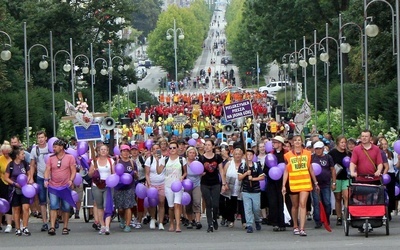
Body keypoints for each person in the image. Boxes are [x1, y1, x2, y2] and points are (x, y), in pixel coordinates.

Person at [282, 135, 319, 237]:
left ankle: (302, 228)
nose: (297, 142)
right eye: (295, 140)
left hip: (305, 182)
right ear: (292, 143)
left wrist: (315, 182)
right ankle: (295, 225)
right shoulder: (288, 155)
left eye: (299, 140)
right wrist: (283, 185)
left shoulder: (307, 154)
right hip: (293, 183)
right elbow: (286, 171)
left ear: (302, 142)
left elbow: (310, 169)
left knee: (303, 204)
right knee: (295, 205)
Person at [44, 139, 77, 236]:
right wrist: (46, 180)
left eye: (55, 147)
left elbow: (73, 170)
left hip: (65, 186)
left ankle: (65, 227)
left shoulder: (70, 157)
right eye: (53, 147)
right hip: (53, 186)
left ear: (61, 147)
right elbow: (47, 169)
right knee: (53, 206)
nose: (53, 149)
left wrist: (71, 180)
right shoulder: (50, 158)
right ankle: (52, 227)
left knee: (66, 207)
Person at [199, 139, 227, 232]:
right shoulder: (201, 158)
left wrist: (223, 183)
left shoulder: (217, 157)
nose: (207, 147)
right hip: (205, 183)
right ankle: (209, 224)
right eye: (205, 145)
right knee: (208, 204)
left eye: (209, 145)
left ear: (213, 146)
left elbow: (221, 170)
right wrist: (200, 174)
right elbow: (198, 170)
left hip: (215, 183)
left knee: (215, 204)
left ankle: (215, 218)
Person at [159, 141, 187, 232]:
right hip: (168, 185)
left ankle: (178, 225)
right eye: (170, 148)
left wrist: (182, 177)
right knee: (171, 206)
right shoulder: (165, 159)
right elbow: (159, 171)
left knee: (177, 205)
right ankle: (171, 223)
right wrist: (157, 160)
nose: (172, 150)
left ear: (178, 148)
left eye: (174, 148)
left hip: (178, 185)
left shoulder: (182, 160)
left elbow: (185, 172)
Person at [4, 146, 32, 236]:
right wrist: (14, 184)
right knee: (16, 209)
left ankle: (25, 227)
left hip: (25, 189)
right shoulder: (11, 165)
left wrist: (28, 181)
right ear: (17, 155)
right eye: (22, 154)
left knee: (26, 208)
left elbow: (30, 174)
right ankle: (17, 228)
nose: (24, 155)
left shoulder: (25, 163)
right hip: (14, 189)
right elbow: (6, 178)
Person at [88, 144, 114, 235]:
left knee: (107, 206)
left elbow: (114, 174)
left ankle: (107, 226)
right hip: (97, 186)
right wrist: (93, 171)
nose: (103, 151)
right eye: (101, 149)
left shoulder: (111, 161)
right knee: (99, 206)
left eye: (105, 149)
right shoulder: (94, 161)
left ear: (107, 151)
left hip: (107, 186)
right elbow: (90, 174)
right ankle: (102, 226)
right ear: (98, 151)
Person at [238, 149, 265, 233]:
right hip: (246, 190)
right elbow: (239, 178)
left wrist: (253, 179)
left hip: (255, 191)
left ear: (253, 156)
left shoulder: (257, 165)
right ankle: (249, 224)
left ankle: (257, 220)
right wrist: (246, 173)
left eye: (250, 155)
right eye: (247, 155)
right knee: (248, 208)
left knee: (256, 208)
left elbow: (262, 177)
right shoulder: (242, 166)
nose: (249, 156)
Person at [267, 136, 289, 232]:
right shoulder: (271, 155)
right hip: (272, 182)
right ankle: (275, 222)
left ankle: (282, 223)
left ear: (280, 143)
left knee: (282, 202)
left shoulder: (286, 155)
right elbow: (267, 168)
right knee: (273, 203)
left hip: (283, 182)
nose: (273, 144)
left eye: (275, 142)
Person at [311, 141, 335, 228]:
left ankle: (326, 218)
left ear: (323, 148)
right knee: (316, 202)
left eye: (319, 148)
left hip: (326, 184)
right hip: (315, 184)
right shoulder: (311, 158)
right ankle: (318, 220)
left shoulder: (328, 157)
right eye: (316, 149)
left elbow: (332, 169)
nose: (318, 150)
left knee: (327, 202)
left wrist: (334, 182)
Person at [29, 131, 50, 232]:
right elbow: (32, 165)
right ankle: (45, 222)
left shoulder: (51, 147)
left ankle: (53, 220)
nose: (41, 139)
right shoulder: (35, 150)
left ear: (46, 138)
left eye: (42, 137)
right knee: (42, 200)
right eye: (39, 138)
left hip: (52, 177)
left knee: (52, 199)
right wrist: (31, 177)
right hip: (40, 176)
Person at [328, 135, 351, 226]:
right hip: (336, 178)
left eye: (345, 142)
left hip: (346, 178)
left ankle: (346, 215)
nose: (344, 144)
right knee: (338, 198)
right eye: (342, 142)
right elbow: (330, 166)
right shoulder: (332, 153)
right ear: (337, 143)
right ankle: (339, 216)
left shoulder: (348, 153)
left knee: (346, 196)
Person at [114, 144, 137, 232]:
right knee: (120, 208)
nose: (126, 153)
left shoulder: (132, 162)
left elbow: (136, 176)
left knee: (128, 206)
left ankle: (128, 225)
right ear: (121, 152)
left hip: (129, 187)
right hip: (118, 188)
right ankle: (122, 219)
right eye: (124, 151)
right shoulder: (116, 162)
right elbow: (113, 174)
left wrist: (135, 174)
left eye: (127, 151)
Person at [222, 148, 245, 228]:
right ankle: (231, 220)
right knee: (231, 205)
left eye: (239, 154)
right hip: (231, 186)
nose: (237, 156)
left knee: (242, 205)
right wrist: (224, 184)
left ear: (242, 155)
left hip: (241, 187)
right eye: (236, 154)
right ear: (233, 155)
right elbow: (224, 174)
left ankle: (244, 222)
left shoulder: (245, 164)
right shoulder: (229, 164)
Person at [145, 143, 166, 230]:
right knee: (152, 203)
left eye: (158, 148)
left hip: (162, 183)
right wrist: (149, 184)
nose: (156, 150)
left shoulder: (164, 159)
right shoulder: (149, 160)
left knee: (161, 203)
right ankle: (153, 219)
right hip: (152, 184)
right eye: (154, 149)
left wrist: (158, 160)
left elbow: (162, 171)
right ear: (152, 151)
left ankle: (160, 222)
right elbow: (147, 174)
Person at [185, 146, 203, 229]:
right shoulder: (184, 162)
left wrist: (201, 173)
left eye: (193, 153)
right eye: (190, 153)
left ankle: (198, 221)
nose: (192, 154)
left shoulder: (197, 163)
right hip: (187, 184)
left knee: (197, 201)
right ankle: (190, 220)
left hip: (197, 184)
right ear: (187, 154)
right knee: (188, 203)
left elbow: (201, 172)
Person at [130, 144, 146, 229]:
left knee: (140, 201)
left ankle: (140, 220)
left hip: (141, 181)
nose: (134, 152)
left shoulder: (141, 159)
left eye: (135, 150)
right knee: (132, 201)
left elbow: (146, 169)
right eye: (132, 150)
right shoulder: (129, 160)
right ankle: (135, 217)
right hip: (132, 183)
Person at [0, 142, 13, 233]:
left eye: (7, 152)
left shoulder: (13, 159)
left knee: (10, 204)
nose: (6, 154)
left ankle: (9, 224)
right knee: (1, 203)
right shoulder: (0, 159)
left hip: (13, 183)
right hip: (2, 183)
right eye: (4, 152)